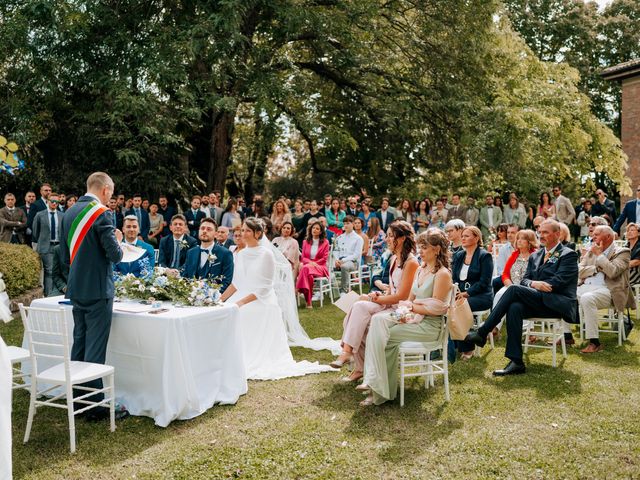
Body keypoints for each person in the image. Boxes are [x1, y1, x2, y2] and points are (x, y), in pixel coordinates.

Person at [219, 218, 333, 380]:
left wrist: (241, 303)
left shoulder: (266, 254)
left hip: (262, 300)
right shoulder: (242, 253)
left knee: (243, 311)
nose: (242, 234)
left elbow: (265, 288)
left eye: (247, 231)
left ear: (258, 233)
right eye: (242, 230)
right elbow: (236, 283)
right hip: (243, 295)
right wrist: (220, 300)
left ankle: (249, 356)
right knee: (225, 311)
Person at [465, 219, 578, 376]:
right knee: (514, 307)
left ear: (558, 234)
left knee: (513, 290)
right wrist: (534, 284)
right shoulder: (536, 255)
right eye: (540, 232)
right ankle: (516, 361)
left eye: (546, 232)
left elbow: (560, 281)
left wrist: (536, 284)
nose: (541, 235)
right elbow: (525, 279)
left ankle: (483, 331)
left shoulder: (568, 255)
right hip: (538, 300)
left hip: (557, 303)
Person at [59, 172, 128, 420]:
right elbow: (115, 255)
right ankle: (96, 405)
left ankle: (77, 400)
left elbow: (64, 254)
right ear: (105, 190)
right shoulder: (101, 213)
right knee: (95, 348)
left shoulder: (67, 213)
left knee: (80, 343)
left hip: (76, 288)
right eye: (111, 193)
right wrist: (118, 240)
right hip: (98, 290)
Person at [360, 229, 452, 406]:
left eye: (425, 248)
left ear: (437, 249)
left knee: (382, 337)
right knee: (377, 321)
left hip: (430, 328)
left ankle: (376, 387)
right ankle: (376, 385)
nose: (421, 252)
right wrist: (404, 313)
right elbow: (409, 301)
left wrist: (411, 307)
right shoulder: (421, 269)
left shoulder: (442, 274)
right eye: (420, 247)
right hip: (413, 319)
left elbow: (437, 309)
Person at [330, 221, 419, 382]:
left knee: (355, 317)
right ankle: (351, 356)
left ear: (403, 239)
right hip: (390, 303)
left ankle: (355, 362)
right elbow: (392, 291)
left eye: (391, 236)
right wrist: (380, 293)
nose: (387, 239)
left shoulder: (411, 263)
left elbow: (402, 296)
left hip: (402, 310)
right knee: (357, 308)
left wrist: (378, 298)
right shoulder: (393, 259)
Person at [577, 225, 634, 353]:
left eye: (596, 234)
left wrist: (600, 255)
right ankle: (567, 336)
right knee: (564, 294)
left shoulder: (623, 252)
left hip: (608, 290)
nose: (593, 236)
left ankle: (594, 342)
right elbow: (578, 271)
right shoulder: (591, 251)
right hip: (585, 286)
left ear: (608, 236)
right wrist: (596, 269)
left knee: (587, 299)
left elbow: (613, 272)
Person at [451, 226, 494, 359]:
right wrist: (456, 292)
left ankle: (467, 348)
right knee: (447, 305)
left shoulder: (484, 256)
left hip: (481, 295)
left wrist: (466, 293)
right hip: (460, 294)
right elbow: (454, 277)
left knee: (460, 307)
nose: (463, 238)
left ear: (476, 238)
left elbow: (484, 282)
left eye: (467, 236)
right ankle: (455, 344)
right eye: (462, 236)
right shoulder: (458, 255)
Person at [492, 229, 538, 316]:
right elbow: (505, 274)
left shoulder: (536, 255)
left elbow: (537, 275)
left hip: (529, 288)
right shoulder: (514, 255)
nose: (519, 241)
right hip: (512, 286)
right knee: (499, 295)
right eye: (518, 238)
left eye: (523, 238)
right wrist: (510, 286)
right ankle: (495, 327)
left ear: (530, 241)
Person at [181, 218, 234, 292]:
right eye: (202, 228)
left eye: (209, 229)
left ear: (215, 234)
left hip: (214, 300)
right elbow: (185, 277)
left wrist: (210, 297)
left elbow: (226, 282)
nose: (205, 231)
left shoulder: (225, 254)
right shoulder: (190, 253)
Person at [33, 193, 64, 296]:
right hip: (46, 246)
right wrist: (43, 241)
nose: (54, 203)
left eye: (56, 202)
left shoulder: (62, 215)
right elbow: (36, 231)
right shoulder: (40, 215)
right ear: (47, 202)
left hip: (58, 246)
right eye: (52, 201)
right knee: (49, 271)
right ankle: (48, 294)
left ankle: (55, 293)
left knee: (56, 270)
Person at [296, 221, 330, 308]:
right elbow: (303, 257)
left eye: (317, 229)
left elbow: (324, 258)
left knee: (305, 268)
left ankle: (297, 289)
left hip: (320, 267)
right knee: (309, 275)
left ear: (321, 231)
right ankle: (309, 302)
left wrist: (314, 263)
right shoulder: (305, 242)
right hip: (309, 267)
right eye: (313, 228)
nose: (315, 230)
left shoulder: (325, 242)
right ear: (310, 229)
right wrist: (310, 263)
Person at [333, 216, 364, 294]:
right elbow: (336, 251)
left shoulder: (358, 238)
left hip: (352, 262)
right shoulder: (339, 238)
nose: (345, 225)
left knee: (344, 266)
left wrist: (343, 261)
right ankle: (331, 291)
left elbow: (356, 255)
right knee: (327, 266)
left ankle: (344, 290)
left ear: (353, 224)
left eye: (348, 223)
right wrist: (337, 260)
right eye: (344, 224)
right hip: (339, 260)